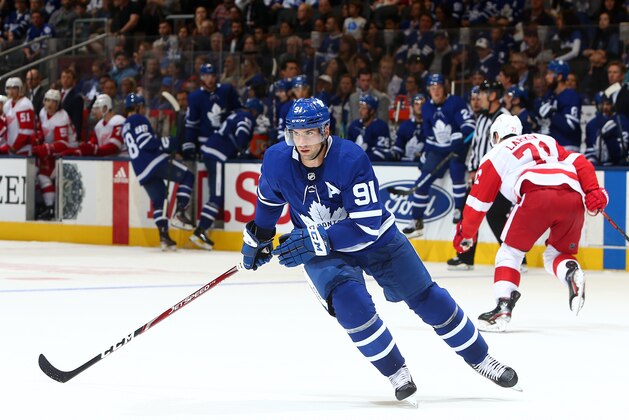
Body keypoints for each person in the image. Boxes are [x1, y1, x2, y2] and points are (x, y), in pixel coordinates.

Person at [240, 97, 519, 404]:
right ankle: (396, 371)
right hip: (325, 250)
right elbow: (268, 202)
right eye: (296, 134)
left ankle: (481, 358)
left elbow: (367, 226)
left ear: (326, 130)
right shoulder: (277, 160)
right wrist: (259, 237)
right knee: (350, 305)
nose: (303, 142)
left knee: (429, 299)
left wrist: (315, 239)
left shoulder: (350, 158)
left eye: (311, 133)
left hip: (376, 241)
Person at [453, 114, 608, 332]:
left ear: (495, 135)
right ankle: (570, 272)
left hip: (535, 195)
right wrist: (593, 190)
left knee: (510, 253)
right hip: (573, 195)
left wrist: (465, 234)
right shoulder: (544, 140)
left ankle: (502, 307)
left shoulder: (495, 153)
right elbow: (579, 161)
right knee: (557, 255)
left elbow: (478, 203)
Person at [447, 80, 511, 271]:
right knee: (469, 216)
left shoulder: (505, 118)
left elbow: (507, 150)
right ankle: (466, 257)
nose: (478, 98)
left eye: (482, 94)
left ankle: (515, 257)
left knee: (496, 216)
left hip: (499, 179)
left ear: (492, 96)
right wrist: (473, 169)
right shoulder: (482, 118)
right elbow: (476, 147)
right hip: (478, 177)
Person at [402, 73, 474, 238]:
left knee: (457, 171)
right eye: (432, 88)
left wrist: (460, 138)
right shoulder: (427, 108)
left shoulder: (455, 102)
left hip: (457, 147)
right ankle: (416, 220)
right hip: (437, 150)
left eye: (438, 88)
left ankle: (458, 210)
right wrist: (426, 154)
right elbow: (429, 135)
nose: (435, 91)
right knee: (422, 182)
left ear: (444, 88)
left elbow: (469, 125)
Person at [122, 93, 196, 251]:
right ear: (138, 106)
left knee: (160, 200)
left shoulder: (125, 125)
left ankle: (164, 236)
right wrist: (167, 142)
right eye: (142, 106)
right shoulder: (137, 119)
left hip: (141, 170)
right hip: (154, 162)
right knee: (187, 176)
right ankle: (180, 212)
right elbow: (146, 142)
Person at [191, 98, 263, 250]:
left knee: (216, 195)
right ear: (255, 111)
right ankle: (200, 231)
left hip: (212, 152)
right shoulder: (247, 117)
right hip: (217, 154)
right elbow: (242, 136)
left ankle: (200, 230)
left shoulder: (236, 114)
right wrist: (245, 153)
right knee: (216, 196)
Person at [32, 89, 78, 220]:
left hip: (67, 151)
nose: (50, 104)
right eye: (47, 100)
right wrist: (39, 139)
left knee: (44, 175)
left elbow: (62, 143)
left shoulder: (61, 117)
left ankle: (51, 207)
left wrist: (44, 148)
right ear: (43, 101)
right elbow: (42, 132)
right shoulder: (42, 113)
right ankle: (46, 205)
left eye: (54, 101)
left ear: (58, 104)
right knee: (38, 174)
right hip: (51, 152)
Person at [183, 63, 240, 161]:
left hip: (225, 140)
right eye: (206, 76)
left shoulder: (226, 90)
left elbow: (237, 111)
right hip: (205, 142)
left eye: (213, 75)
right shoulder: (195, 97)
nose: (210, 79)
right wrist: (189, 143)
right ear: (202, 77)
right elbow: (191, 124)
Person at [536, 60, 582, 152]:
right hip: (550, 148)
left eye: (550, 74)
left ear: (559, 76)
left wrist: (552, 114)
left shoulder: (570, 95)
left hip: (566, 149)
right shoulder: (549, 95)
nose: (546, 77)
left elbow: (570, 126)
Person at [347, 94, 394, 161]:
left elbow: (382, 152)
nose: (360, 111)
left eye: (364, 108)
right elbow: (348, 149)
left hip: (374, 165)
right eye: (360, 107)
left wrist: (361, 160)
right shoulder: (354, 125)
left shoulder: (381, 126)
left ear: (372, 111)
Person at [3, 77, 35, 156]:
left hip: (23, 149)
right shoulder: (7, 104)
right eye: (9, 88)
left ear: (20, 89)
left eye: (14, 88)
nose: (11, 91)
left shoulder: (25, 104)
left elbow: (26, 131)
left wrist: (15, 147)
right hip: (10, 148)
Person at [393, 93, 426, 162]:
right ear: (412, 107)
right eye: (416, 104)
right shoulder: (405, 125)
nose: (419, 107)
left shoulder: (431, 124)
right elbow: (398, 148)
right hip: (405, 165)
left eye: (422, 104)